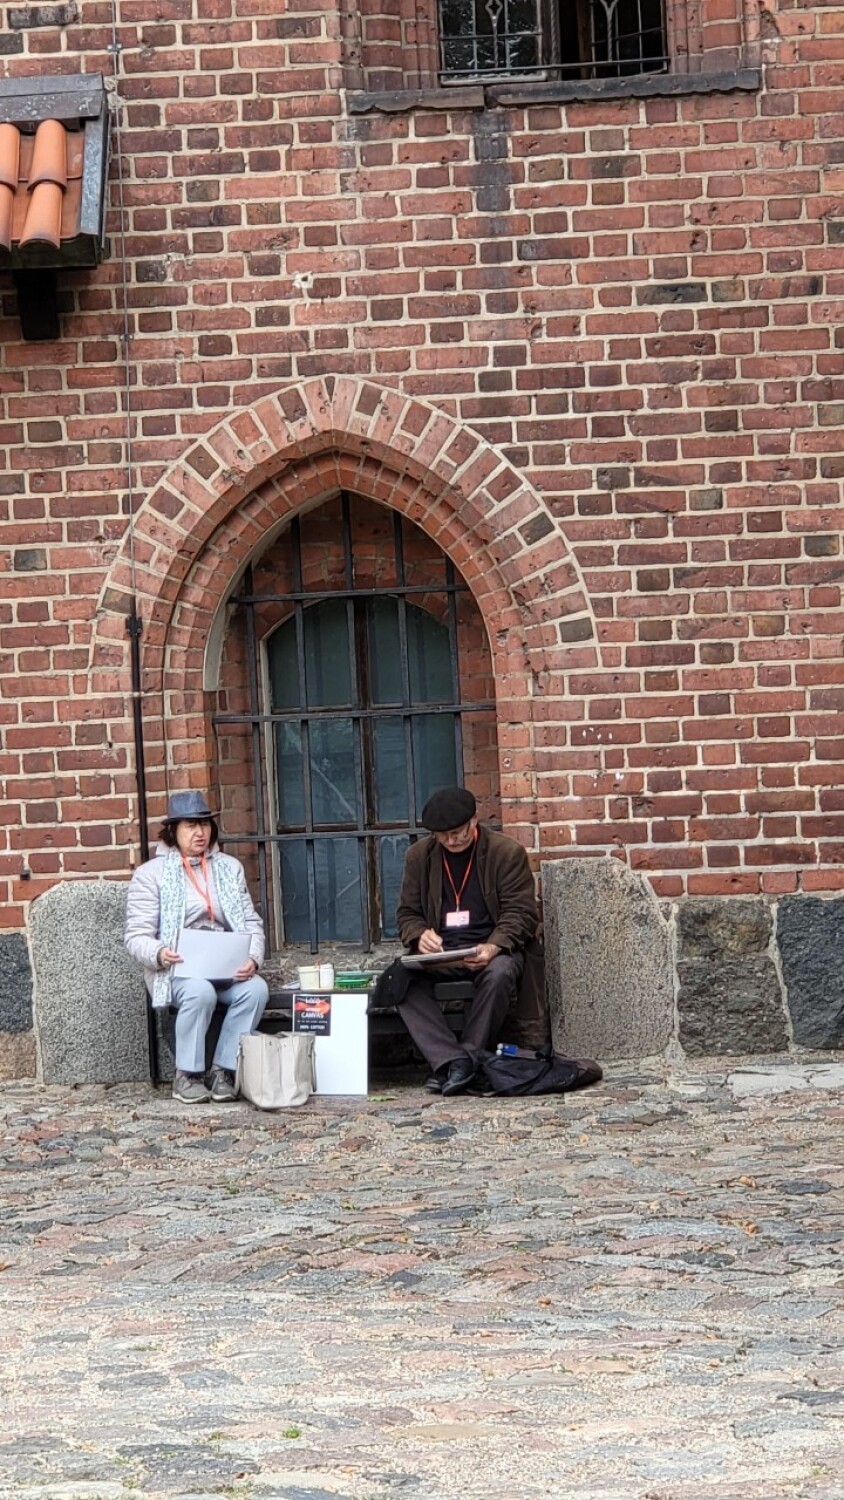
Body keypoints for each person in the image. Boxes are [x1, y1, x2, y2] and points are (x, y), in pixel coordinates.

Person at [396, 786, 543, 1097]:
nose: (452, 840)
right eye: (443, 835)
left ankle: (467, 1058)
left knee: (501, 973)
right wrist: (420, 934)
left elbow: (522, 913)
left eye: (458, 832)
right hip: (443, 954)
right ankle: (452, 1061)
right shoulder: (419, 857)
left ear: (474, 821)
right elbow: (407, 913)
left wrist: (494, 946)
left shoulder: (506, 853)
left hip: (490, 948)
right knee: (399, 980)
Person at [125, 791, 268, 1104]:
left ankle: (224, 1070)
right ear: (173, 830)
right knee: (199, 991)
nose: (200, 832)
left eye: (204, 825)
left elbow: (251, 922)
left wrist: (252, 958)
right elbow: (136, 936)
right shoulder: (151, 875)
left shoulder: (229, 868)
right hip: (176, 968)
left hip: (224, 966)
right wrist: (160, 953)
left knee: (255, 990)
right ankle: (187, 1074)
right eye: (191, 825)